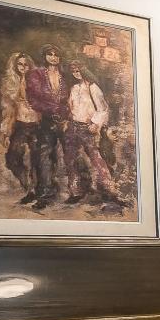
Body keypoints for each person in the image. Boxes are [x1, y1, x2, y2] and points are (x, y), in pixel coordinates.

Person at [62, 58, 127, 208]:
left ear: (84, 70)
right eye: (73, 71)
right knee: (70, 159)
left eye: (78, 70)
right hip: (73, 127)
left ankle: (110, 191)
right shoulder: (74, 88)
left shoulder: (93, 88)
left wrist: (95, 124)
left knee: (96, 159)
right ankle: (75, 191)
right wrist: (68, 120)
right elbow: (71, 108)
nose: (76, 73)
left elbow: (103, 109)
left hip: (87, 127)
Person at [24, 45, 71, 207]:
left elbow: (69, 99)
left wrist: (64, 114)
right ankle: (44, 192)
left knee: (67, 154)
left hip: (64, 120)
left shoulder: (65, 76)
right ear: (44, 56)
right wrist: (52, 109)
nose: (53, 57)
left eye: (56, 55)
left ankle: (73, 190)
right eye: (50, 54)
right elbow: (33, 98)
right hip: (45, 119)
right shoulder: (36, 74)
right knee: (44, 154)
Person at [0, 51, 39, 203]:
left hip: (37, 124)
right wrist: (7, 133)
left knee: (36, 159)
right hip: (20, 124)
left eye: (26, 64)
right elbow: (8, 111)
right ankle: (28, 186)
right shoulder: (10, 83)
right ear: (15, 66)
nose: (23, 67)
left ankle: (35, 190)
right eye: (20, 64)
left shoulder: (37, 81)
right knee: (12, 158)